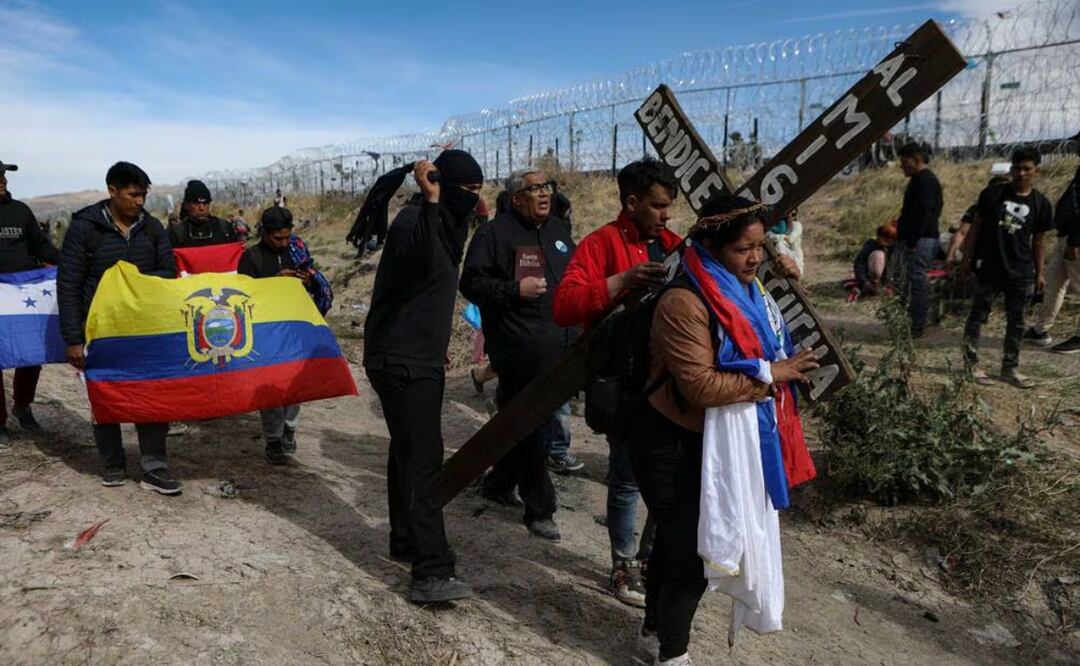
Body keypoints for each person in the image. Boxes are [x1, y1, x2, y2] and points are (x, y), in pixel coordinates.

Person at [629, 196, 818, 665]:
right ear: (712, 248)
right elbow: (700, 386)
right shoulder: (683, 302)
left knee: (676, 547)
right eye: (742, 249)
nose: (755, 258)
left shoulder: (753, 297)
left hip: (717, 442)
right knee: (694, 555)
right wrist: (771, 375)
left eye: (760, 246)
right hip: (671, 443)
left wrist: (779, 371)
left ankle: (654, 630)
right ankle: (673, 654)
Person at [552, 158, 682, 607]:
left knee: (668, 479)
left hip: (669, 383)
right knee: (626, 478)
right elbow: (565, 305)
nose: (666, 216)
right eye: (658, 205)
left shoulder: (673, 245)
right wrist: (620, 281)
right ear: (631, 202)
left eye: (670, 207)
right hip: (623, 383)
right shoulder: (600, 243)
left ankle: (649, 559)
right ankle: (623, 567)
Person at [363, 150, 484, 604]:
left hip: (417, 358)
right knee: (423, 459)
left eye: (477, 191)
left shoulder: (445, 222)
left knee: (407, 451)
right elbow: (420, 261)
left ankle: (405, 538)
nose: (473, 200)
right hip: (399, 360)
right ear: (439, 184)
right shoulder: (414, 223)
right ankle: (431, 570)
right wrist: (431, 200)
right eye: (466, 191)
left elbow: (436, 275)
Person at [460, 168, 577, 540]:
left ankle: (499, 484)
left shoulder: (559, 231)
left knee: (516, 424)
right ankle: (541, 508)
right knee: (534, 429)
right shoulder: (493, 235)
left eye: (547, 187)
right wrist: (514, 290)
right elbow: (472, 284)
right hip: (517, 351)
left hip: (560, 349)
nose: (544, 194)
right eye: (534, 189)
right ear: (515, 198)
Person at [57, 162, 180, 494]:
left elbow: (170, 272)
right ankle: (113, 463)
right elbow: (68, 284)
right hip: (100, 331)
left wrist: (133, 281)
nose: (140, 201)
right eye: (133, 194)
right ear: (112, 190)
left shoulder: (152, 228)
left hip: (145, 330)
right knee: (105, 393)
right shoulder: (84, 229)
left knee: (152, 396)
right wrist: (73, 338)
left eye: (143, 195)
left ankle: (155, 467)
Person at [959, 147, 1054, 388]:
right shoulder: (993, 194)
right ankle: (971, 365)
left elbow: (1039, 241)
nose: (1021, 173)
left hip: (1021, 273)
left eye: (1027, 169)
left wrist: (1039, 273)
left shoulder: (1041, 204)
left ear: (1036, 171)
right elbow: (976, 228)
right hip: (990, 268)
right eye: (1017, 168)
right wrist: (966, 259)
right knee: (977, 317)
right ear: (1011, 169)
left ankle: (1010, 368)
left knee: (1017, 322)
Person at [238, 207, 311, 464]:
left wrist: (305, 281)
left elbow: (313, 283)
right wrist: (275, 281)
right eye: (278, 239)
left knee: (295, 384)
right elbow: (243, 298)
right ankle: (273, 440)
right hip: (265, 332)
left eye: (287, 237)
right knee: (269, 387)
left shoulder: (296, 252)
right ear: (265, 234)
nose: (284, 243)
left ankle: (289, 429)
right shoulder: (251, 258)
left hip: (293, 329)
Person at [0, 159, 60, 447]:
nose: (2, 180)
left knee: (31, 353)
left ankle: (22, 406)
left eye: (3, 175)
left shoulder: (20, 211)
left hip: (23, 295)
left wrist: (69, 261)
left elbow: (41, 246)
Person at [1024, 133, 1080, 353]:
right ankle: (1041, 330)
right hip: (1065, 236)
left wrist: (1075, 241)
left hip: (1075, 239)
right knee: (1054, 283)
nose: (1076, 145)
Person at [896, 141, 943, 338]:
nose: (902, 166)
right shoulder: (921, 180)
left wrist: (913, 240)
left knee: (917, 282)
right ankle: (911, 322)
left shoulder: (924, 181)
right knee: (910, 281)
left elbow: (924, 213)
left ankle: (916, 325)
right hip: (919, 239)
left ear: (917, 159)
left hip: (920, 241)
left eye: (905, 162)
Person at [946, 173, 1012, 265]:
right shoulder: (977, 208)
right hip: (982, 254)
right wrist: (951, 255)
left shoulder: (1015, 209)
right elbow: (962, 232)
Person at [168, 180, 237, 248]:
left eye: (205, 203)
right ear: (186, 205)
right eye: (196, 203)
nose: (201, 208)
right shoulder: (175, 233)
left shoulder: (224, 229)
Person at [850, 223, 898, 298]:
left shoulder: (895, 249)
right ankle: (873, 285)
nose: (888, 241)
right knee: (878, 255)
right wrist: (864, 281)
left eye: (891, 239)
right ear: (879, 236)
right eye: (885, 238)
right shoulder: (871, 245)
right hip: (870, 277)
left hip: (887, 278)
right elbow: (860, 264)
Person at [767, 207, 804, 274]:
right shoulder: (774, 227)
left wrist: (786, 238)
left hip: (792, 250)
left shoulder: (796, 225)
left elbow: (792, 238)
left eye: (792, 214)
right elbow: (769, 236)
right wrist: (780, 238)